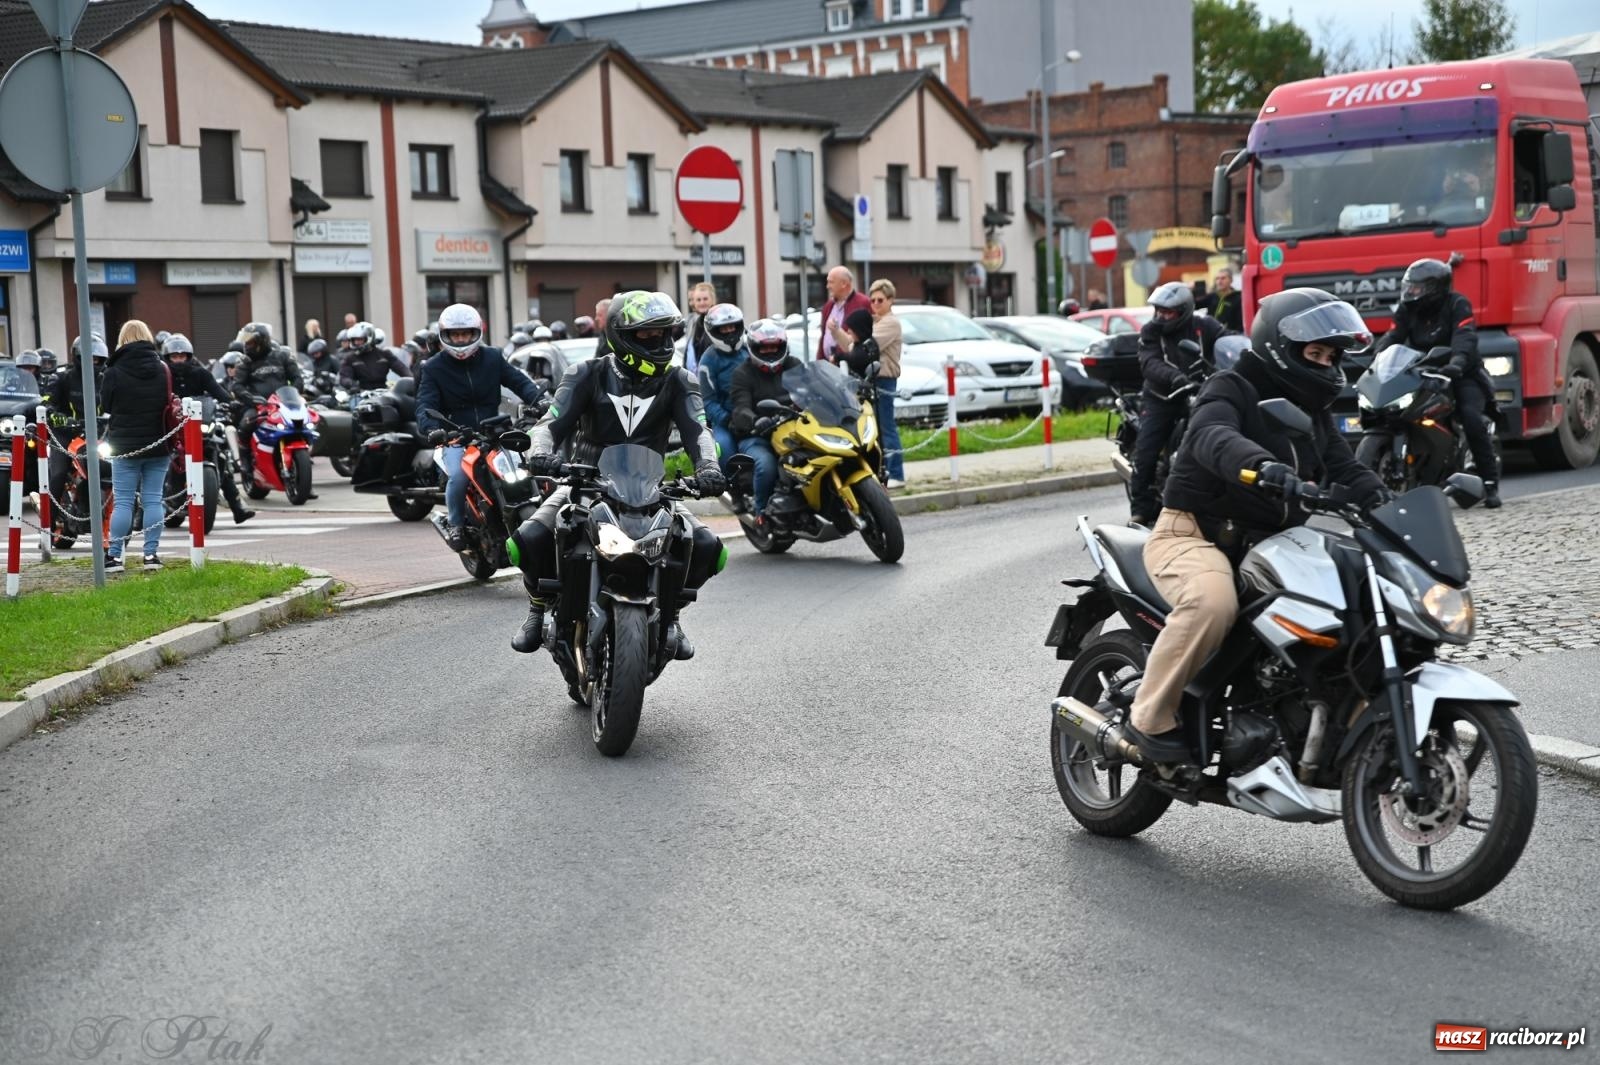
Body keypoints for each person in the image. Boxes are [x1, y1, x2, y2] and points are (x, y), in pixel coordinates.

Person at [1122, 288, 1389, 762]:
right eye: (1315, 353)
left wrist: (1385, 502)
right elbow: (1211, 435)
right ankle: (1148, 717)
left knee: (1350, 606)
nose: (1326, 363)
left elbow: (1345, 469)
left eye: (1331, 355)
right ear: (1280, 346)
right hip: (1193, 535)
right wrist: (1261, 466)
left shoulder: (1315, 413)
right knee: (1212, 601)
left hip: (1269, 547)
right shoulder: (1230, 386)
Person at [508, 291, 725, 657]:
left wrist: (708, 467)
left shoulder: (679, 381)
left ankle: (670, 615)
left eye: (664, 334)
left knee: (708, 549)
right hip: (585, 484)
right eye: (647, 335)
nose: (659, 342)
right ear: (621, 335)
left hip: (650, 490)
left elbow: (698, 431)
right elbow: (550, 423)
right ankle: (537, 608)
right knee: (527, 540)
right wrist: (541, 452)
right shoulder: (586, 374)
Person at [415, 303, 543, 549]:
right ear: (446, 335)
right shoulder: (433, 368)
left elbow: (519, 382)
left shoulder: (493, 357)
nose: (461, 340)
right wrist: (432, 429)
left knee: (528, 466)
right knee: (460, 477)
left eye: (466, 334)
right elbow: (424, 404)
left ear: (476, 333)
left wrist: (540, 399)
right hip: (455, 437)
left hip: (495, 432)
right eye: (455, 334)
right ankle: (456, 524)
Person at [1376, 257, 1500, 507]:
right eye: (1409, 286)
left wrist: (1457, 362)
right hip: (1422, 372)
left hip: (1461, 373)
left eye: (1417, 288)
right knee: (1396, 411)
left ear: (1435, 289)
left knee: (1470, 418)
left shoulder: (1457, 304)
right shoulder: (1406, 308)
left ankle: (1489, 482)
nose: (1411, 292)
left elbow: (1464, 336)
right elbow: (1394, 335)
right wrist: (1378, 356)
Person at [1128, 281, 1234, 526]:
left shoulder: (1204, 326)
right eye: (1158, 311)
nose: (1161, 317)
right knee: (1147, 450)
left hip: (1201, 392)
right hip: (1162, 398)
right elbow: (1150, 362)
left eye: (1168, 312)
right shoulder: (1150, 332)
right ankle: (1141, 507)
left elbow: (1227, 341)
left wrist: (1243, 352)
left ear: (1184, 310)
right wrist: (1175, 377)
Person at [100, 321, 174, 572]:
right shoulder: (162, 369)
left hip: (124, 446)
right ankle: (151, 557)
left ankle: (115, 557)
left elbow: (106, 406)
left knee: (123, 502)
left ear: (122, 340)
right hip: (158, 443)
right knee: (154, 500)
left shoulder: (113, 371)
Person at [163, 334, 255, 525]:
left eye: (182, 356)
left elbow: (217, 391)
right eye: (175, 357)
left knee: (221, 457)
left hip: (200, 425)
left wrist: (231, 403)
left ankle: (237, 506)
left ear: (189, 356)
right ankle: (170, 502)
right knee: (166, 459)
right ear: (168, 357)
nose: (179, 360)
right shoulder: (164, 376)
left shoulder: (200, 373)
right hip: (174, 429)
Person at [728, 318, 799, 516]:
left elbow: (814, 388)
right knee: (766, 465)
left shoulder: (794, 365)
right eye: (764, 348)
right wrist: (755, 420)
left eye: (775, 347)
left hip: (795, 429)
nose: (770, 352)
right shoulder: (742, 373)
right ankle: (761, 512)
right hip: (756, 435)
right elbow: (740, 408)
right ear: (753, 348)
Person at [229, 322, 304, 490]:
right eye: (246, 342)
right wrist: (253, 399)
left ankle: (304, 479)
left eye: (250, 342)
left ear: (262, 341)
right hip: (258, 405)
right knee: (245, 424)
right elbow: (237, 386)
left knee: (303, 425)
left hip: (284, 403)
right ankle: (246, 463)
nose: (247, 346)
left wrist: (295, 393)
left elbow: (297, 378)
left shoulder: (282, 355)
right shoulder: (245, 361)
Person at [696, 303, 749, 466]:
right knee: (724, 449)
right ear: (714, 331)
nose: (730, 332)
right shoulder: (708, 360)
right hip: (725, 423)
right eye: (724, 329)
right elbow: (708, 401)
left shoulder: (749, 351)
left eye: (732, 327)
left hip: (753, 416)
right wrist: (728, 420)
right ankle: (728, 488)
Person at [339, 321, 410, 396]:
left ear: (369, 338)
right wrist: (351, 384)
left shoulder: (384, 354)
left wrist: (412, 381)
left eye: (360, 339)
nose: (356, 343)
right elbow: (344, 376)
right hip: (361, 394)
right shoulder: (351, 358)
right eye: (354, 340)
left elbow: (402, 369)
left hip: (383, 393)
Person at [816, 266, 872, 362]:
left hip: (849, 366)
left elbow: (866, 337)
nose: (827, 286)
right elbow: (823, 335)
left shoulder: (862, 303)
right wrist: (819, 360)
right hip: (827, 365)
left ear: (844, 284)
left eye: (831, 282)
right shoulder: (828, 306)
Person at [682, 281, 717, 373]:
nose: (702, 303)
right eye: (698, 300)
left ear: (712, 300)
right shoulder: (695, 322)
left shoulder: (719, 320)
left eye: (705, 299)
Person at [1200, 267, 1244, 332]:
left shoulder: (1238, 298)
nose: (1219, 281)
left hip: (1229, 335)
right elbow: (1194, 304)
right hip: (1210, 334)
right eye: (1217, 279)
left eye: (1223, 278)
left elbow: (1240, 322)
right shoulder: (1212, 296)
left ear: (1231, 280)